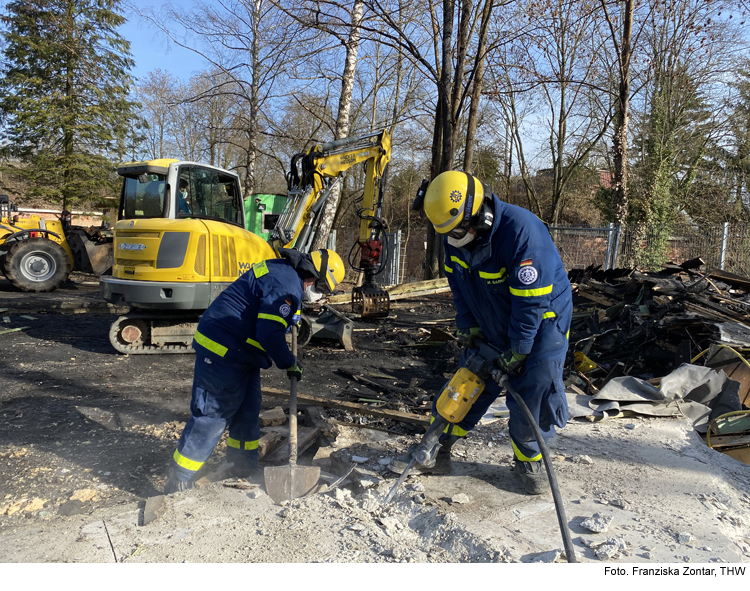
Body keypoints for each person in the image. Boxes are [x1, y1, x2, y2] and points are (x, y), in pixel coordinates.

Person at [393, 170, 572, 494]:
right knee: (469, 379)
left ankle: (529, 459)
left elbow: (530, 305)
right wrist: (468, 326)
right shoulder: (455, 237)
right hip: (491, 314)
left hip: (542, 321)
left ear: (481, 210)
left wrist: (518, 349)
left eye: (463, 229)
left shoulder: (522, 232)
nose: (460, 237)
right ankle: (439, 444)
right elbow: (458, 287)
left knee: (531, 388)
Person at [164, 248, 346, 494]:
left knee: (248, 411)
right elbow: (268, 333)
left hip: (242, 353)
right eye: (322, 289)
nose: (319, 295)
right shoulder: (287, 286)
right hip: (222, 350)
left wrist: (292, 314)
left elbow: (270, 307)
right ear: (314, 276)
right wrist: (287, 362)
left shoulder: (286, 275)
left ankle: (242, 465)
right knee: (213, 415)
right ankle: (180, 479)